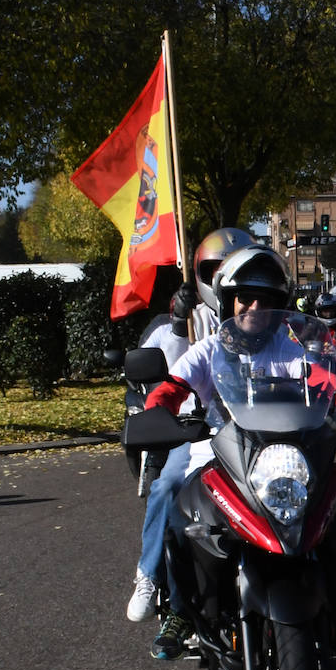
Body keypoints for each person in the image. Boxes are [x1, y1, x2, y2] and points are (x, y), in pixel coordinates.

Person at [143, 244, 336, 656]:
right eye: (246, 296)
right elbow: (173, 388)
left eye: (268, 299)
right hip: (220, 451)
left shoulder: (291, 349)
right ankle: (181, 607)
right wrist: (157, 411)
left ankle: (326, 604)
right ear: (228, 300)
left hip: (283, 455)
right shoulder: (208, 349)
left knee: (334, 503)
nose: (255, 306)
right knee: (176, 501)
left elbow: (330, 384)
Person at [127, 228, 251, 628]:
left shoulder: (269, 322)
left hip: (261, 435)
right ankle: (149, 577)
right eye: (216, 268)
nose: (224, 277)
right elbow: (170, 374)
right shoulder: (189, 321)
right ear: (201, 274)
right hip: (200, 433)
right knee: (165, 489)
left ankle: (317, 588)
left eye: (235, 267)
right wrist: (180, 324)